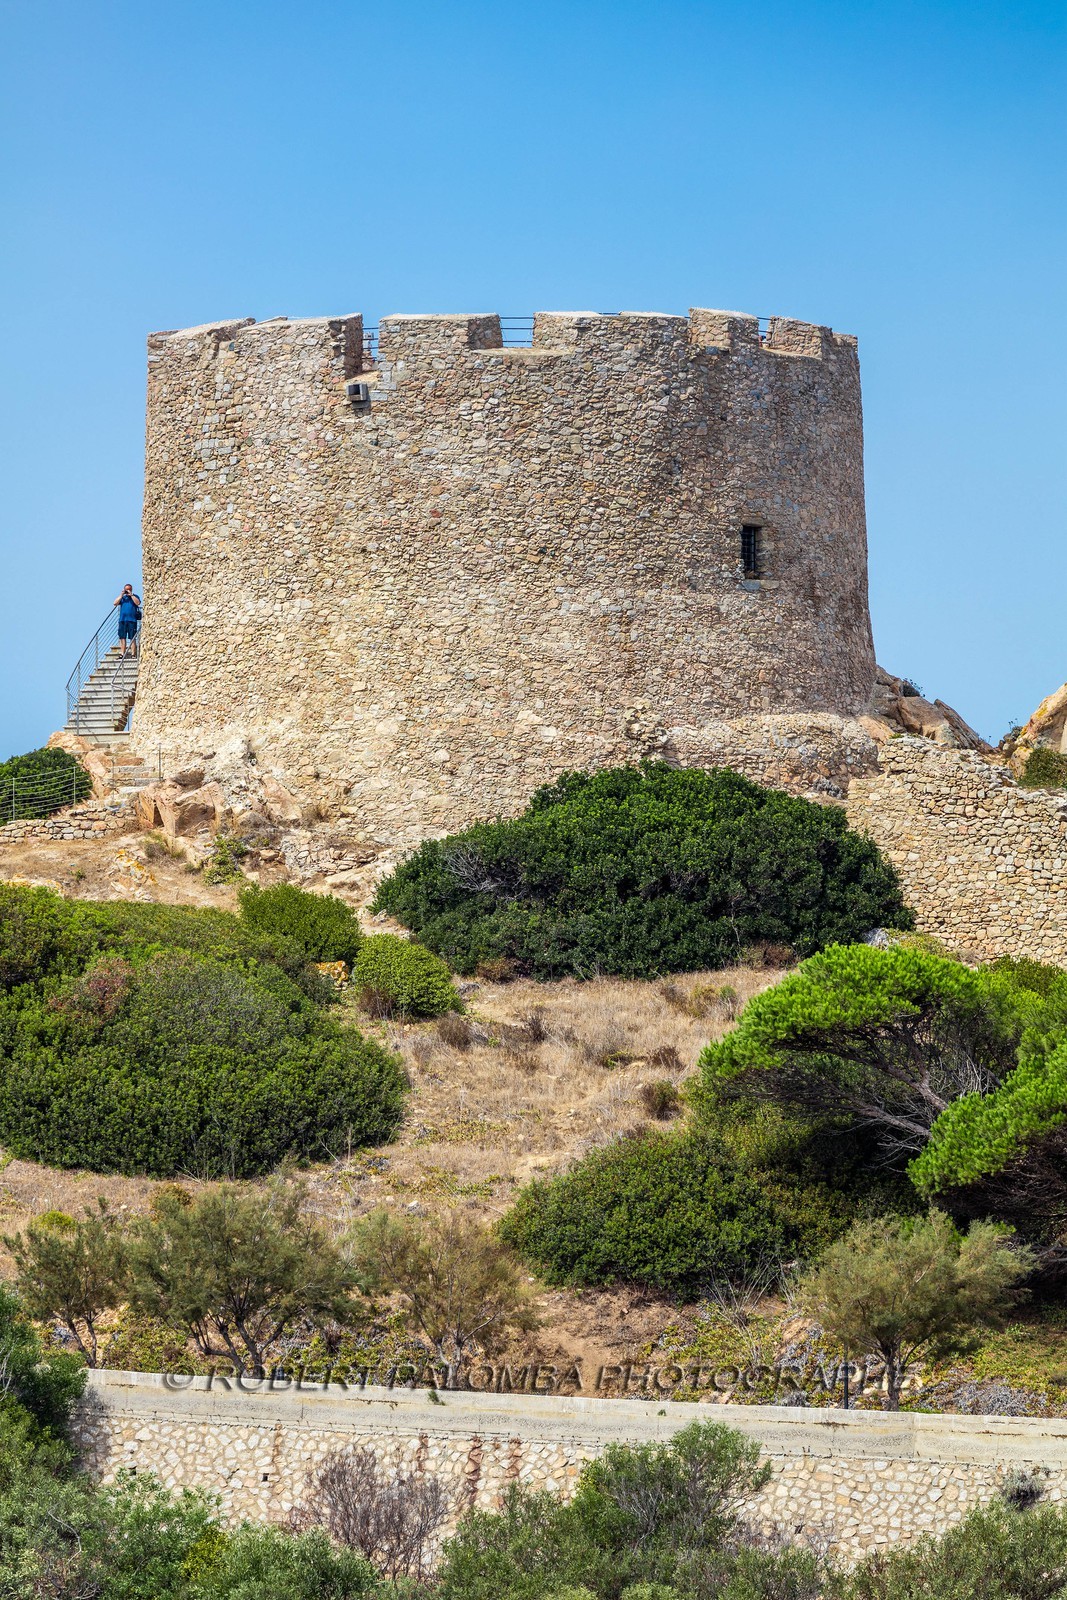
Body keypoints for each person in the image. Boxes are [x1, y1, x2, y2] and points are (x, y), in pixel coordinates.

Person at [113, 584, 142, 658]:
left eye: (129, 589)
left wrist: (131, 595)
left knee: (132, 637)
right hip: (122, 620)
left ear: (131, 589)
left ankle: (133, 654)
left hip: (132, 620)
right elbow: (115, 603)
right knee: (122, 637)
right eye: (126, 589)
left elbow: (138, 603)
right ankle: (122, 654)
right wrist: (121, 595)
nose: (127, 591)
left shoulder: (135, 596)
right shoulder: (123, 598)